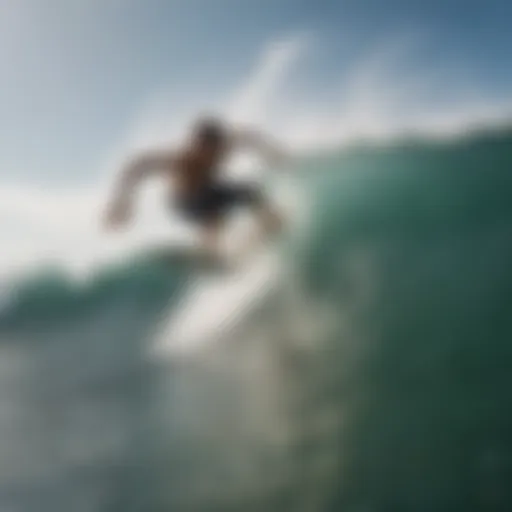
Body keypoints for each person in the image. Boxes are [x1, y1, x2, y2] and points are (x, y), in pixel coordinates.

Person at [103, 116, 287, 263]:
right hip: (183, 202)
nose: (205, 155)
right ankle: (209, 253)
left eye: (210, 150)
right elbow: (139, 164)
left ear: (217, 144)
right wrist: (122, 201)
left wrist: (274, 154)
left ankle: (270, 226)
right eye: (200, 148)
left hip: (209, 190)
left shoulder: (224, 146)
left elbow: (249, 137)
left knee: (251, 192)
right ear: (195, 144)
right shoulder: (183, 159)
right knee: (213, 215)